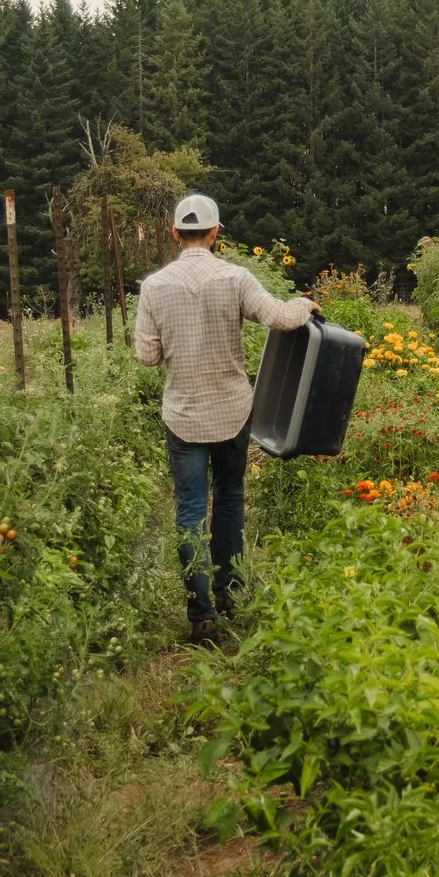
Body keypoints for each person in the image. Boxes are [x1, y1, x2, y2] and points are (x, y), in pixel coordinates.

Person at [132, 192, 317, 645]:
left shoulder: (154, 287)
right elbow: (278, 317)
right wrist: (305, 304)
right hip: (233, 410)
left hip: (183, 415)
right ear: (215, 233)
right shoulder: (235, 278)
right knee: (230, 498)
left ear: (175, 234)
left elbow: (147, 356)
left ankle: (202, 615)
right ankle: (231, 591)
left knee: (190, 511)